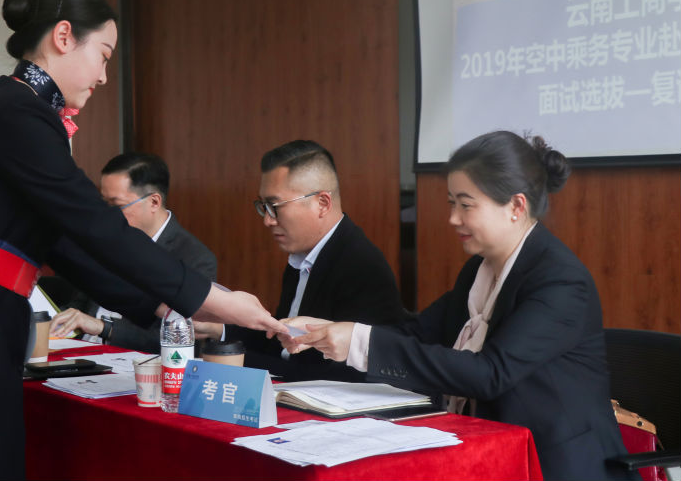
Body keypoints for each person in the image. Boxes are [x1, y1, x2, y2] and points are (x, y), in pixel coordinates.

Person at [0, 0, 283, 480]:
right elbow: (96, 225)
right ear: (64, 37)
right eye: (104, 55)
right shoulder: (19, 113)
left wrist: (163, 305)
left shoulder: (19, 109)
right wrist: (210, 298)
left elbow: (66, 245)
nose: (105, 76)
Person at [281, 131, 635, 481]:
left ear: (516, 206)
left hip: (554, 464)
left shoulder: (560, 281)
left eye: (466, 205)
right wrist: (332, 332)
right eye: (452, 203)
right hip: (487, 449)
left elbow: (490, 374)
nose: (453, 218)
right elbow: (418, 332)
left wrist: (362, 342)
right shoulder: (479, 269)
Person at [222, 140, 407, 382]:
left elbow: (341, 377)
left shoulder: (362, 267)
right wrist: (220, 327)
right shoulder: (302, 256)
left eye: (275, 206)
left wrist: (237, 361)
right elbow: (281, 346)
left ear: (322, 204)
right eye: (263, 207)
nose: (268, 220)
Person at [47, 152, 218, 353]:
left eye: (116, 205)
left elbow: (175, 338)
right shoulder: (102, 239)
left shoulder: (194, 257)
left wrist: (104, 328)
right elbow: (79, 305)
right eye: (103, 204)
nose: (107, 215)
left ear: (154, 202)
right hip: (78, 351)